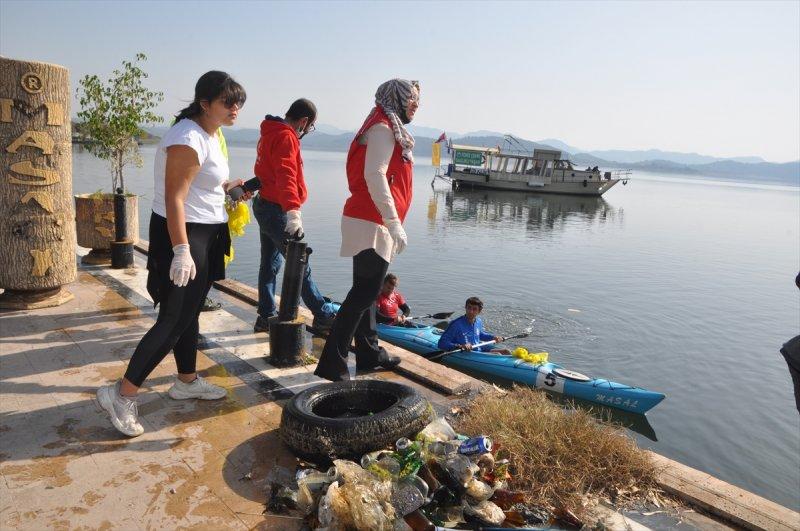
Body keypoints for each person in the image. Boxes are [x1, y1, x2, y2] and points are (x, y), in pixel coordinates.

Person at [97, 71, 249, 437]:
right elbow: (174, 198)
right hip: (184, 234)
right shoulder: (187, 137)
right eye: (228, 102)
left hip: (206, 232)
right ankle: (121, 394)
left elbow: (200, 186)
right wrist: (182, 250)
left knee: (189, 314)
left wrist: (230, 189)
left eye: (239, 102)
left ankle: (186, 380)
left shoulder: (210, 135)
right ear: (205, 103)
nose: (235, 109)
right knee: (173, 320)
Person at [314, 79, 420, 381]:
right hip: (372, 221)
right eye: (410, 98)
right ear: (396, 98)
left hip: (371, 220)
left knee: (368, 292)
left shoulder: (386, 124)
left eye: (417, 100)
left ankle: (369, 353)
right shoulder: (384, 128)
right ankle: (332, 363)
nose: (415, 104)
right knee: (363, 294)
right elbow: (375, 175)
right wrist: (394, 222)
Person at [251, 99, 337, 333]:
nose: (307, 131)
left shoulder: (269, 132)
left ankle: (265, 315)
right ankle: (322, 314)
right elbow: (286, 176)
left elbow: (265, 171)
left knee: (269, 264)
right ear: (304, 121)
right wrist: (293, 213)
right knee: (299, 262)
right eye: (309, 127)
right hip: (277, 210)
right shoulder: (286, 137)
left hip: (264, 205)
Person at [437, 297, 511, 355]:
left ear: (479, 311)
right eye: (469, 308)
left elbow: (480, 335)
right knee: (497, 354)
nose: (471, 311)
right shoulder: (456, 324)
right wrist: (460, 346)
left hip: (478, 349)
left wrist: (493, 337)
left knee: (506, 351)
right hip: (466, 353)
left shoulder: (478, 321)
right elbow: (442, 343)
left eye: (474, 309)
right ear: (465, 308)